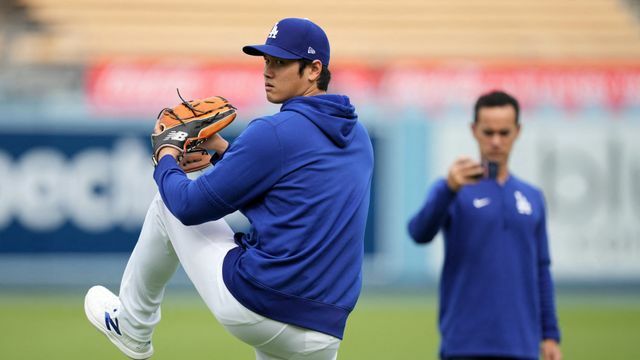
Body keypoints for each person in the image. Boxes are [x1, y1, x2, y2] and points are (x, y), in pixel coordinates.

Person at [84, 17, 374, 360]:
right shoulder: (358, 137)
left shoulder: (274, 132)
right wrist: (224, 153)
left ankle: (133, 326)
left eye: (280, 62)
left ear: (313, 70)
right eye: (266, 60)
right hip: (325, 329)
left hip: (260, 304)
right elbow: (289, 198)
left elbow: (189, 207)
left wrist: (166, 155)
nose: (268, 70)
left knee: (166, 203)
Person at [407, 91, 562, 360]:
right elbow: (418, 232)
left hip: (521, 346)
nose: (496, 141)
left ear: (518, 131)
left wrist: (550, 335)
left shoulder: (532, 196)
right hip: (465, 344)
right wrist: (448, 189)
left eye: (504, 133)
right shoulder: (454, 189)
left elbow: (541, 270)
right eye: (488, 132)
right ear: (474, 130)